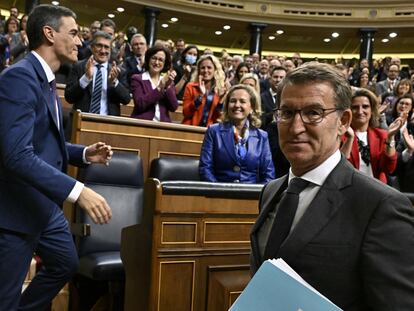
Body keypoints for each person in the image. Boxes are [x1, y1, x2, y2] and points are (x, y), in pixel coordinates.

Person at [250, 62, 414, 310]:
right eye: (286, 112)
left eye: (313, 113)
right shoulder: (271, 191)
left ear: (343, 121)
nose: (296, 127)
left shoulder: (382, 206)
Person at [0, 5, 114, 310]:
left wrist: (84, 153)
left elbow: (45, 142)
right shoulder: (19, 78)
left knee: (65, 263)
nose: (81, 42)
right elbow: (16, 154)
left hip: (44, 206)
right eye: (74, 33)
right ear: (49, 34)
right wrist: (78, 192)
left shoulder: (47, 80)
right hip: (15, 208)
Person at [199, 84, 274, 183]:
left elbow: (268, 174)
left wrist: (257, 196)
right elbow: (205, 168)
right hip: (218, 193)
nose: (237, 105)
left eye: (242, 101)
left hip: (251, 195)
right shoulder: (213, 131)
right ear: (227, 106)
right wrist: (218, 192)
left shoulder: (262, 136)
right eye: (233, 101)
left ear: (251, 107)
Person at [340, 88, 401, 184]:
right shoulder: (340, 135)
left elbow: (389, 168)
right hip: (348, 189)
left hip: (377, 191)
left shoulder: (381, 135)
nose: (360, 111)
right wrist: (349, 139)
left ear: (372, 110)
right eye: (355, 107)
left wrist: (390, 137)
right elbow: (338, 169)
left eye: (365, 106)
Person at [64, 31, 130, 116]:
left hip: (108, 124)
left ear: (110, 50)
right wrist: (86, 78)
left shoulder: (118, 71)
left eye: (106, 47)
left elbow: (126, 99)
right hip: (81, 121)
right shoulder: (79, 66)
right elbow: (69, 97)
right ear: (92, 47)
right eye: (99, 46)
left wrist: (114, 82)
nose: (103, 51)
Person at [130, 45, 178, 122]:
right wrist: (159, 87)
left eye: (161, 60)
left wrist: (167, 87)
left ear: (165, 63)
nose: (156, 62)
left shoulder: (167, 80)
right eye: (154, 58)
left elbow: (173, 107)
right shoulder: (137, 79)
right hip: (141, 124)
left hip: (163, 127)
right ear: (148, 59)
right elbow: (140, 104)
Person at [182, 54, 228, 127]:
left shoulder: (220, 90)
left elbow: (217, 118)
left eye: (209, 68)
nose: (206, 71)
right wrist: (200, 95)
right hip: (190, 129)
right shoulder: (190, 87)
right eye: (203, 68)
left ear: (215, 70)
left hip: (209, 132)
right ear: (199, 70)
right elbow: (186, 113)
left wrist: (221, 100)